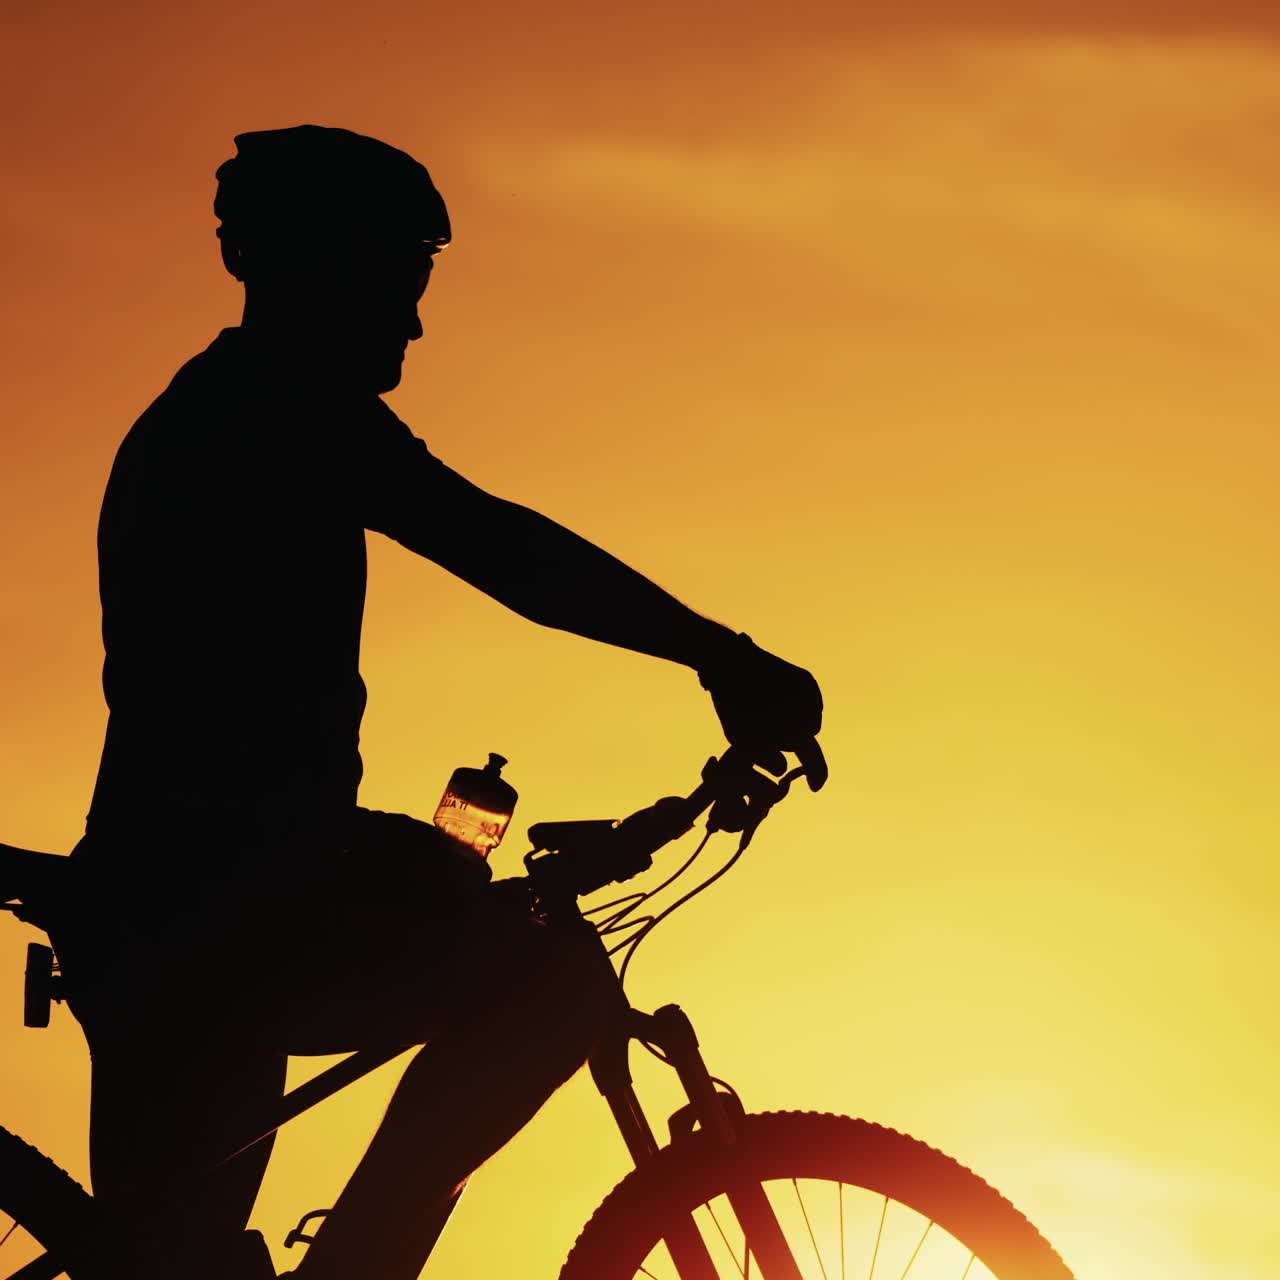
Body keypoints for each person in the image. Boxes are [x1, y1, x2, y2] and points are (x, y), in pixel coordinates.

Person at [57, 125, 826, 1280]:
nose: (412, 323)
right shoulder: (272, 414)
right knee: (542, 981)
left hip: (203, 904)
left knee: (185, 1257)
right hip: (220, 904)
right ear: (324, 270)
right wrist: (718, 654)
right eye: (396, 287)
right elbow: (500, 546)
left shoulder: (231, 411)